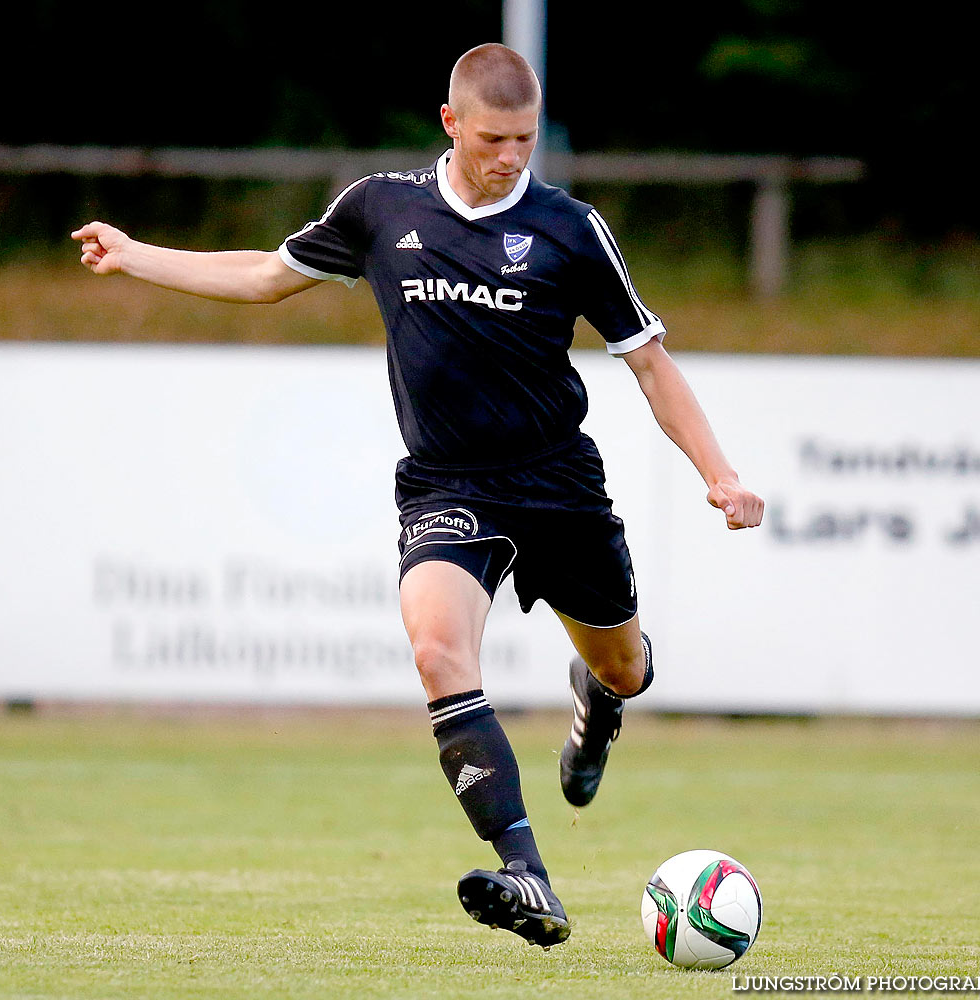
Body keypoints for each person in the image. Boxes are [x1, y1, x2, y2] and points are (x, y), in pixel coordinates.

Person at [71, 42, 764, 951]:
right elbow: (264, 278)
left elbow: (648, 361)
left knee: (623, 665)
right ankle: (528, 873)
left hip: (557, 483)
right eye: (492, 137)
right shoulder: (381, 208)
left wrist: (718, 472)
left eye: (523, 138)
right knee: (438, 652)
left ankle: (598, 701)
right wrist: (135, 255)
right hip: (445, 484)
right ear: (450, 123)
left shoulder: (569, 229)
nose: (510, 155)